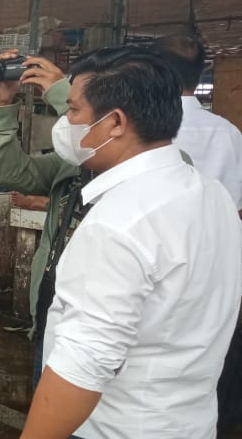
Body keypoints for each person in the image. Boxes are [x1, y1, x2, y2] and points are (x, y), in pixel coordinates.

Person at [20, 46, 242, 438]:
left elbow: (83, 364)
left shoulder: (119, 222)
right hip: (189, 424)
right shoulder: (211, 195)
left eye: (73, 111)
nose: (67, 123)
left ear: (116, 122)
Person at [152, 35, 242, 439]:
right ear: (199, 74)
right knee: (210, 374)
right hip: (218, 274)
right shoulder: (228, 133)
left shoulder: (150, 130)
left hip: (160, 271)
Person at [0, 49, 80, 387]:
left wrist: (60, 94)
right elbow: (12, 170)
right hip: (51, 309)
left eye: (77, 106)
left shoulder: (152, 178)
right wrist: (3, 104)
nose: (68, 114)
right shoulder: (70, 161)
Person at [152, 35, 242, 214]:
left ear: (155, 74)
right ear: (199, 74)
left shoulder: (146, 129)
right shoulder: (229, 133)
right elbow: (237, 208)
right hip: (217, 237)